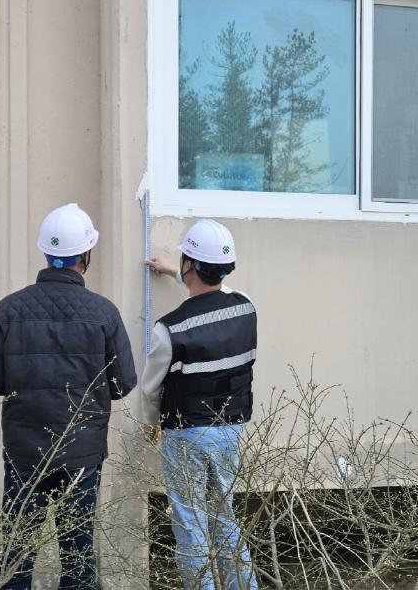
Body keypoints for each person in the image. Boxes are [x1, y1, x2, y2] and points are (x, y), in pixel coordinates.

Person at [0, 203, 137, 590]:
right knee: (77, 553)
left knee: (18, 551)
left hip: (25, 450)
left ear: (46, 252)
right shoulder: (103, 312)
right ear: (86, 254)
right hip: (82, 450)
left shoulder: (10, 309)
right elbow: (123, 383)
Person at [141, 219, 259, 590]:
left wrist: (149, 424)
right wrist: (177, 272)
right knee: (224, 515)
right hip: (230, 429)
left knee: (190, 520)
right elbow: (214, 292)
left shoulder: (168, 329)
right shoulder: (246, 307)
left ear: (191, 265)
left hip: (186, 433)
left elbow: (149, 390)